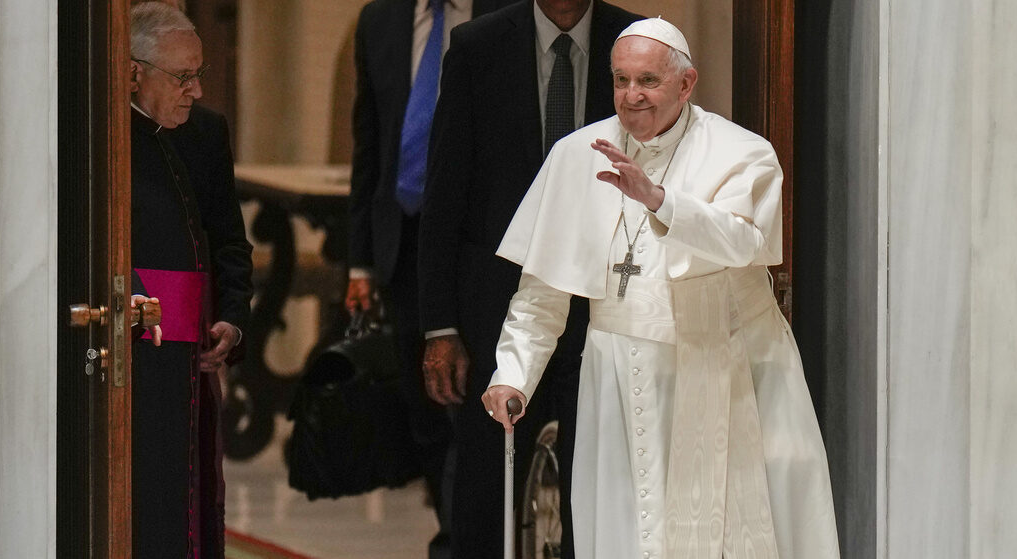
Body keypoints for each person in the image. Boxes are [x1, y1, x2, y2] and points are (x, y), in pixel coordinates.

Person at [481, 18, 840, 558]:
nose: (631, 96)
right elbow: (542, 293)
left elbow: (745, 242)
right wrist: (513, 375)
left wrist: (660, 201)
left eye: (647, 80)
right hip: (614, 379)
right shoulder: (577, 155)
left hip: (722, 365)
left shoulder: (743, 151)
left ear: (686, 83)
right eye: (620, 80)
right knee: (626, 532)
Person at [417, 1, 640, 557]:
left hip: (608, 303)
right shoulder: (477, 47)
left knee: (596, 489)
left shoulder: (633, 41)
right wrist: (440, 326)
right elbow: (445, 194)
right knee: (488, 488)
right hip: (498, 306)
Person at [346, 0, 510, 556]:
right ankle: (456, 534)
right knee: (427, 409)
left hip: (483, 244)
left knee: (474, 408)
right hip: (405, 241)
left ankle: (461, 544)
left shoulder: (508, 13)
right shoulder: (380, 19)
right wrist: (361, 260)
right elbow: (370, 143)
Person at [128, 3, 253, 557]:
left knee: (193, 495)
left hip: (194, 358)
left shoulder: (205, 132)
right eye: (182, 77)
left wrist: (232, 317)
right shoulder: (98, 134)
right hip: (129, 357)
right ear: (133, 71)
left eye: (198, 74)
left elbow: (229, 238)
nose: (196, 91)